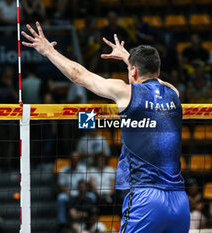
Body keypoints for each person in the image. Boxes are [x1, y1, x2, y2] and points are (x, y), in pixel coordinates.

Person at [22, 21, 190, 232]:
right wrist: (130, 60)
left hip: (147, 199)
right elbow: (158, 81)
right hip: (180, 201)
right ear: (158, 69)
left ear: (134, 71)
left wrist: (48, 51)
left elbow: (78, 75)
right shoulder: (174, 95)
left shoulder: (126, 91)